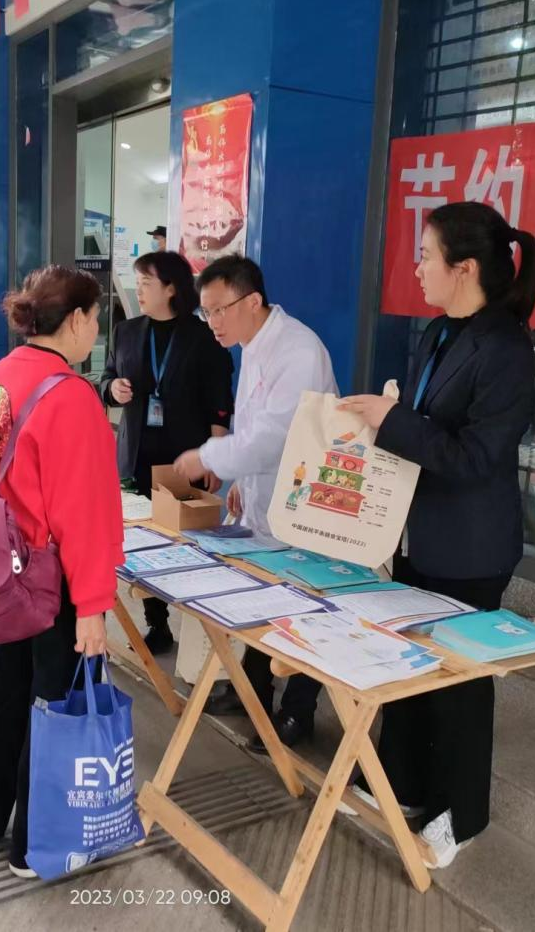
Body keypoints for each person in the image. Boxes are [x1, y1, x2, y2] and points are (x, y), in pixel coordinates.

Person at [336, 201, 535, 868]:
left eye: (424, 256)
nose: (416, 268)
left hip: (470, 548)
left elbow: (476, 457)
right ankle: (398, 784)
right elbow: (424, 427)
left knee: (458, 680)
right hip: (418, 535)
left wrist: (395, 420)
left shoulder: (505, 349)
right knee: (407, 665)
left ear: (464, 268)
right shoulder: (436, 332)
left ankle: (461, 816)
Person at [0, 265, 123, 879]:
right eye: (95, 319)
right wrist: (94, 604)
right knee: (52, 702)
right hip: (54, 578)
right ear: (74, 320)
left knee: (3, 690)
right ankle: (34, 846)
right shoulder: (69, 396)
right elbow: (88, 511)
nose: (96, 331)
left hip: (6, 567)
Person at [171, 255, 337, 752]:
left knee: (306, 605)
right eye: (205, 313)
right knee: (266, 598)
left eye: (219, 310)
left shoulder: (298, 350)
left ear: (252, 301)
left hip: (307, 501)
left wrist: (207, 455)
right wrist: (239, 475)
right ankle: (257, 695)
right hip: (267, 497)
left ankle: (297, 712)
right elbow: (251, 424)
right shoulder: (252, 343)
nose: (212, 322)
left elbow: (273, 435)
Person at [99, 251, 234, 654]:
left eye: (146, 283)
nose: (138, 291)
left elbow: (219, 401)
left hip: (183, 456)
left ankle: (198, 630)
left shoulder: (202, 337)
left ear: (171, 288)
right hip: (136, 452)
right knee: (139, 540)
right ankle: (157, 622)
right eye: (137, 283)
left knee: (182, 541)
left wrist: (214, 454)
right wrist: (112, 389)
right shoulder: (127, 331)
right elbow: (105, 376)